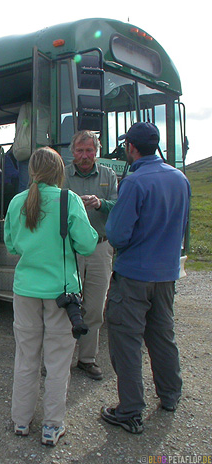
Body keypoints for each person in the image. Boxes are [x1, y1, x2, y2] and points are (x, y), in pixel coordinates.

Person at [101, 122, 191, 434]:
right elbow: (182, 227)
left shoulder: (135, 182)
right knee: (162, 336)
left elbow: (117, 234)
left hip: (134, 276)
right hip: (166, 276)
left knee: (126, 341)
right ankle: (170, 395)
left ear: (131, 148)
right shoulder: (180, 178)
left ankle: (129, 410)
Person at [4, 147, 98, 446]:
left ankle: (20, 421)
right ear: (60, 170)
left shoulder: (18, 201)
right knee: (57, 362)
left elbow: (12, 246)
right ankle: (51, 426)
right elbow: (86, 245)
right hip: (61, 293)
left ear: (31, 171)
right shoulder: (68, 200)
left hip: (25, 290)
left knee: (26, 357)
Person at [63, 130, 117, 380]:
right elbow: (50, 203)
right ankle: (59, 358)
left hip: (100, 248)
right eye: (80, 151)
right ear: (72, 151)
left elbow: (119, 206)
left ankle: (87, 359)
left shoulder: (108, 174)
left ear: (97, 151)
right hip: (69, 249)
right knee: (64, 306)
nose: (85, 156)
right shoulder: (61, 174)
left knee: (94, 307)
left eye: (89, 151)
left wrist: (101, 204)